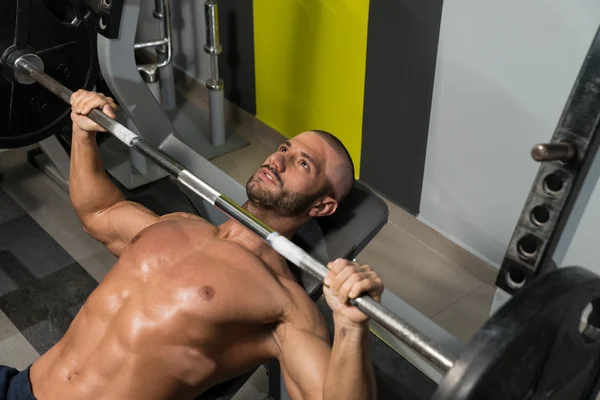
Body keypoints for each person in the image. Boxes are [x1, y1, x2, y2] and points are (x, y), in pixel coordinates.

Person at [1, 90, 384, 400]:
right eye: (284, 148)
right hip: (21, 386)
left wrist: (352, 327)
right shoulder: (180, 225)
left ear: (322, 205)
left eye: (303, 164)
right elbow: (100, 212)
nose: (279, 159)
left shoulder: (284, 306)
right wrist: (83, 133)